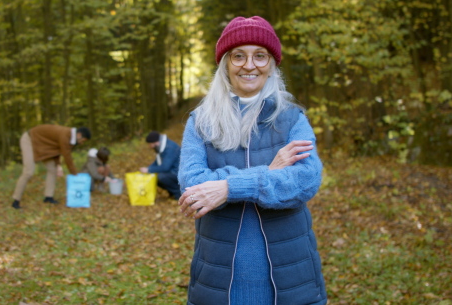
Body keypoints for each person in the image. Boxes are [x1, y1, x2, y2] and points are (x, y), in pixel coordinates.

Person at [177, 16, 327, 304]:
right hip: (217, 281)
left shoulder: (292, 118)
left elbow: (307, 180)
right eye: (238, 56)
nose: (249, 65)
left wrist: (229, 187)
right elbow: (192, 185)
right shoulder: (201, 122)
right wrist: (270, 171)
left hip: (293, 280)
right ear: (225, 65)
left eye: (260, 55)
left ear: (271, 64)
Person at [11, 125, 91, 209]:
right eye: (83, 140)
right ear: (79, 135)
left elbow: (56, 151)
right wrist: (75, 174)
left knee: (53, 169)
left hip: (42, 145)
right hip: (29, 140)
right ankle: (16, 200)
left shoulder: (70, 137)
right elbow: (67, 157)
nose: (82, 143)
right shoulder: (65, 136)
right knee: (28, 172)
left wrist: (58, 165)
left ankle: (48, 197)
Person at [139, 131, 181, 200]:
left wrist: (149, 170)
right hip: (172, 172)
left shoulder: (169, 148)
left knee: (160, 177)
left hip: (178, 173)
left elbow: (165, 167)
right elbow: (157, 162)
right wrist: (148, 169)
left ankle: (178, 193)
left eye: (150, 144)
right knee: (154, 177)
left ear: (155, 142)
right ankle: (172, 193)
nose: (149, 146)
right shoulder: (161, 147)